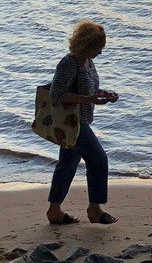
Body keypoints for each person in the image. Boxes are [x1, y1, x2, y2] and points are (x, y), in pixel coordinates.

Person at [46, 21, 119, 226]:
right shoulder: (70, 63)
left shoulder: (88, 61)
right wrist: (89, 99)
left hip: (81, 120)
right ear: (86, 45)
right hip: (74, 123)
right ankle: (94, 209)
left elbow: (85, 89)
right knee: (98, 160)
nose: (100, 53)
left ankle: (54, 210)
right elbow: (56, 94)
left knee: (67, 165)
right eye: (98, 48)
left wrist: (103, 94)